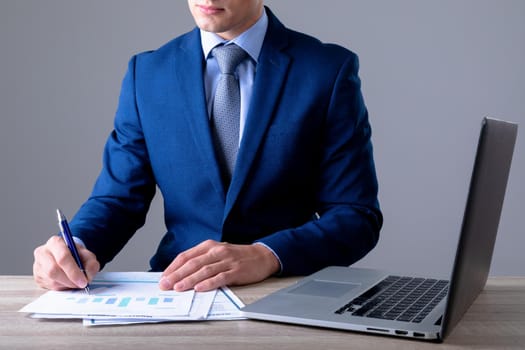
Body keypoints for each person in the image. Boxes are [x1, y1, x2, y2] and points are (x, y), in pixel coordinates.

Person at [33, 0, 382, 293]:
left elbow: (356, 215)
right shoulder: (148, 72)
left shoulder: (327, 71)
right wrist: (74, 248)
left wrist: (267, 255)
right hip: (178, 292)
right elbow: (118, 199)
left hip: (285, 291)